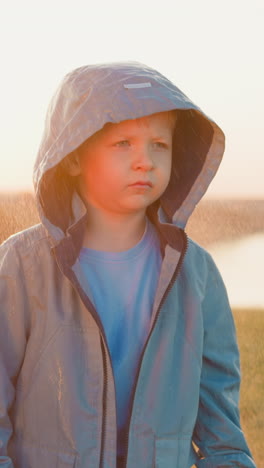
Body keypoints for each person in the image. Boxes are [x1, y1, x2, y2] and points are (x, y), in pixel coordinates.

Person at [0, 62, 256, 468]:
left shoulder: (198, 274)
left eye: (160, 144)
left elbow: (223, 439)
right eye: (123, 143)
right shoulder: (21, 265)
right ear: (72, 157)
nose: (145, 161)